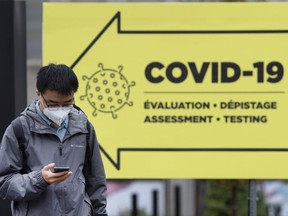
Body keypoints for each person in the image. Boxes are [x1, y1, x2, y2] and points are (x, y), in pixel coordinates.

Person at [0, 63, 107, 216]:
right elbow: (4, 183)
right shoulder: (19, 129)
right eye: (53, 104)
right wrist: (39, 179)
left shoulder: (84, 126)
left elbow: (96, 181)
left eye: (67, 103)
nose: (60, 109)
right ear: (38, 94)